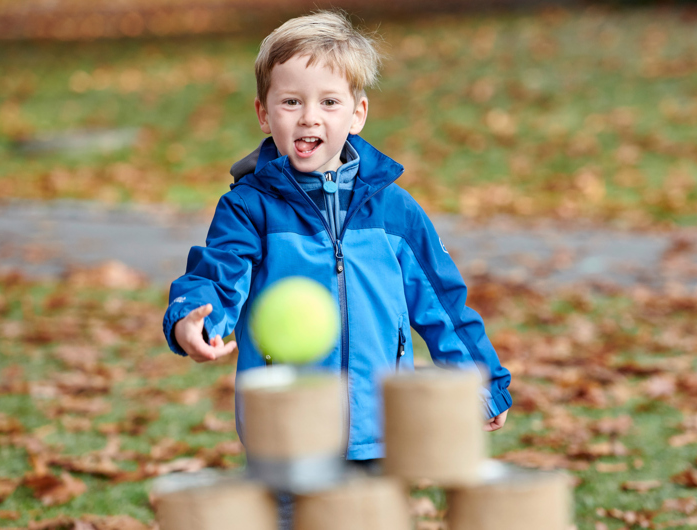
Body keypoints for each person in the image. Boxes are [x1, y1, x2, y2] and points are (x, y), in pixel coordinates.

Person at [162, 10, 511, 464]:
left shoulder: (393, 210)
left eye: (329, 102)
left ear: (357, 113)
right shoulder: (250, 208)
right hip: (286, 430)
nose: (310, 118)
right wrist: (195, 318)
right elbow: (219, 273)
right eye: (291, 102)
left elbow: (442, 303)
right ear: (263, 114)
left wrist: (481, 382)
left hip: (382, 430)